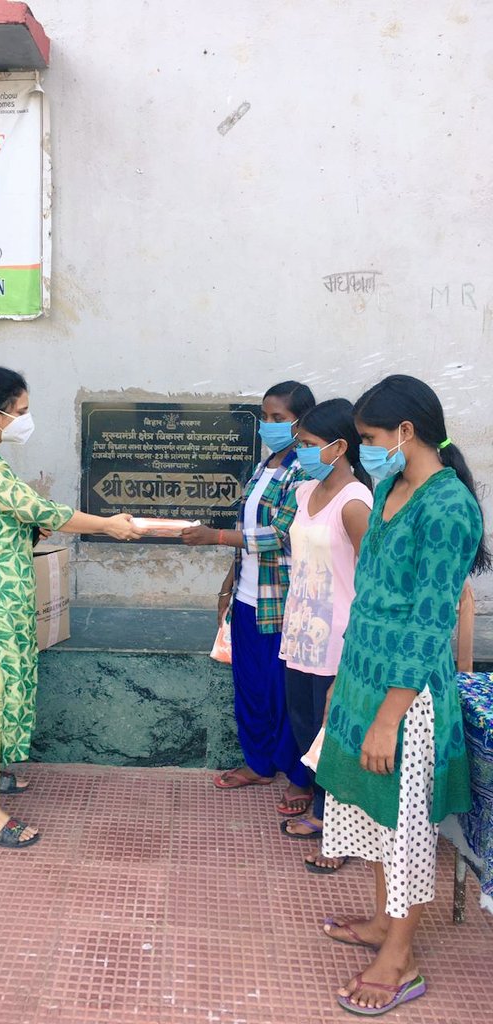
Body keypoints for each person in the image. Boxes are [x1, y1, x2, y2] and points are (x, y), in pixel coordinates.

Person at [316, 374, 489, 1016]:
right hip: (362, 678)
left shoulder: (449, 509)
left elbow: (428, 623)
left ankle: (403, 958)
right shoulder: (390, 485)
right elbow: (370, 595)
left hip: (406, 699)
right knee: (370, 811)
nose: (365, 451)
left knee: (406, 825)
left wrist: (388, 717)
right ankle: (387, 922)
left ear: (406, 433)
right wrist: (344, 680)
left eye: (369, 438)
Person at [0, 367, 141, 849]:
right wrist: (107, 525)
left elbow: (5, 517)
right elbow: (41, 508)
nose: (26, 420)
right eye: (20, 412)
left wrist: (24, 530)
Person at [182, 380, 316, 816]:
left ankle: (299, 777)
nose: (268, 425)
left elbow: (281, 535)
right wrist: (227, 584)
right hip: (245, 596)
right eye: (265, 416)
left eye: (279, 418)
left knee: (284, 694)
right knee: (251, 689)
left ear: (301, 422)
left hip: (282, 601)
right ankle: (259, 764)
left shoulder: (305, 472)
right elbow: (247, 539)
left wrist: (213, 536)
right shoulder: (263, 467)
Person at [277, 399, 372, 873]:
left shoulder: (356, 503)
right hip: (301, 632)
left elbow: (371, 580)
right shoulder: (306, 492)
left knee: (334, 734)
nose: (301, 452)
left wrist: (358, 647)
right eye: (300, 443)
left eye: (310, 445)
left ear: (339, 446)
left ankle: (340, 830)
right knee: (306, 725)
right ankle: (321, 811)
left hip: (338, 638)